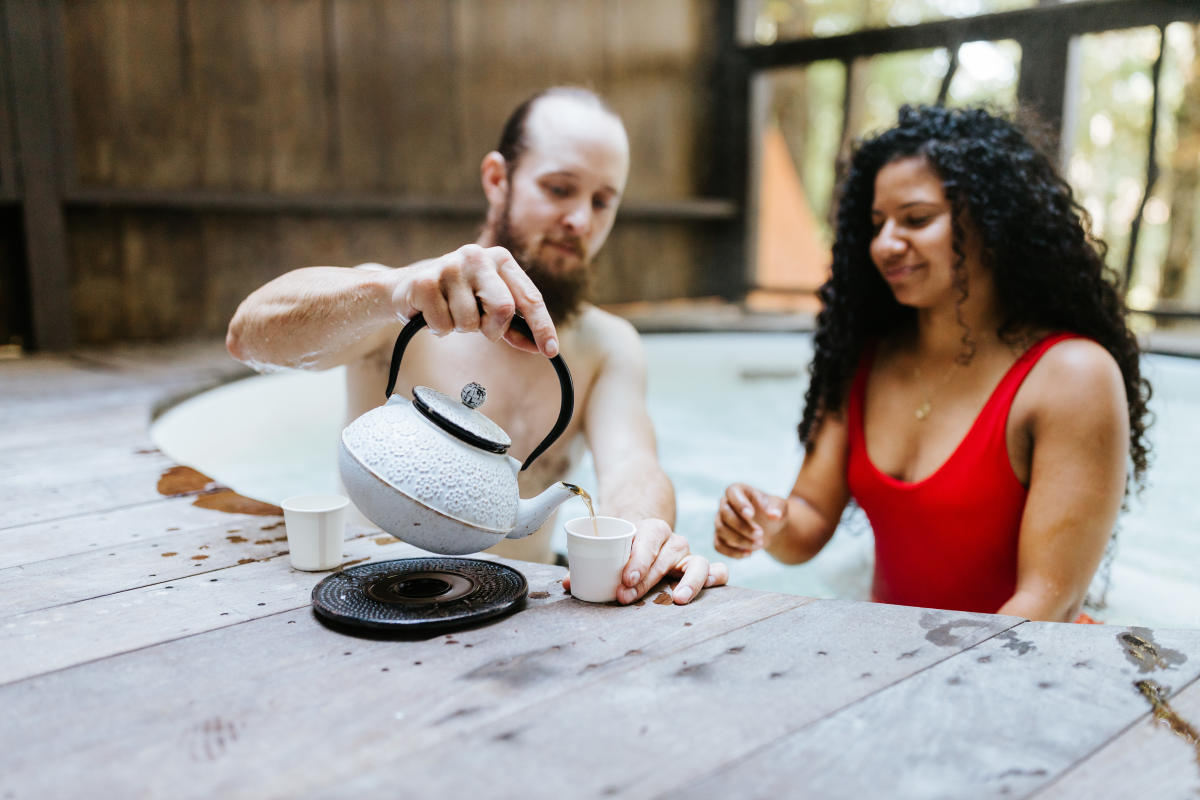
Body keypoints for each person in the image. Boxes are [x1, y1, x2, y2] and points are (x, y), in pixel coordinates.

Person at [227, 86, 727, 605]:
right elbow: (248, 338)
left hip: (521, 620)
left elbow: (632, 465)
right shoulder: (397, 302)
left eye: (602, 201)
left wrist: (644, 535)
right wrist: (391, 291)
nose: (581, 220)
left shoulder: (609, 345)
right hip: (371, 605)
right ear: (497, 179)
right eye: (559, 189)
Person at [713, 104, 1151, 623]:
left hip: (1024, 668)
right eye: (876, 224)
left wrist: (923, 691)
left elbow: (1047, 603)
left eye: (916, 219)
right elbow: (806, 522)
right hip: (899, 660)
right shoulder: (864, 358)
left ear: (995, 219)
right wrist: (765, 521)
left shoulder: (1072, 376)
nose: (885, 244)